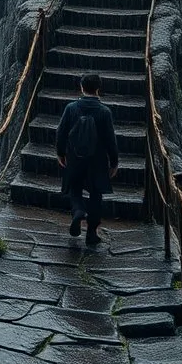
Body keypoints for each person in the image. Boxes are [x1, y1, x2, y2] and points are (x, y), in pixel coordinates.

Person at [56, 74, 119, 247]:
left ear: (81, 87)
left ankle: (78, 211)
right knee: (96, 194)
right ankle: (91, 232)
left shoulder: (71, 108)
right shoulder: (105, 112)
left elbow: (61, 132)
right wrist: (114, 162)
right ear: (98, 88)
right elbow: (110, 140)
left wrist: (60, 153)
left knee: (75, 188)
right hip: (97, 159)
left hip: (75, 157)